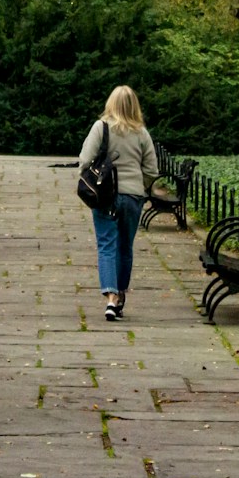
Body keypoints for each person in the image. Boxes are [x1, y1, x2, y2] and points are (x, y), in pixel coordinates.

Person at [80, 85, 158, 321]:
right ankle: (121, 294)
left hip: (106, 195)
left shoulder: (100, 127)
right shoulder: (142, 133)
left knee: (106, 245)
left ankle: (111, 298)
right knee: (125, 247)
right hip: (133, 196)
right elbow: (151, 170)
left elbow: (84, 160)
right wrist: (139, 186)